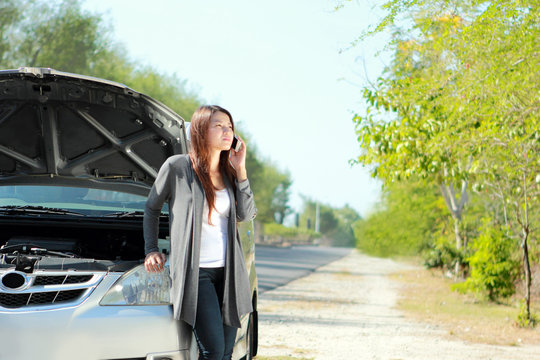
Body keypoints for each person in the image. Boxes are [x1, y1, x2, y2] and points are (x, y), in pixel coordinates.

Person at [143, 105, 257, 360]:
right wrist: (151, 249)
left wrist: (241, 170)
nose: (227, 132)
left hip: (228, 275)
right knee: (214, 351)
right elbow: (151, 208)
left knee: (226, 352)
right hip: (197, 275)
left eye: (229, 127)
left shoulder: (229, 172)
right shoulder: (177, 167)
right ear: (200, 130)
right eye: (219, 126)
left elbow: (245, 214)